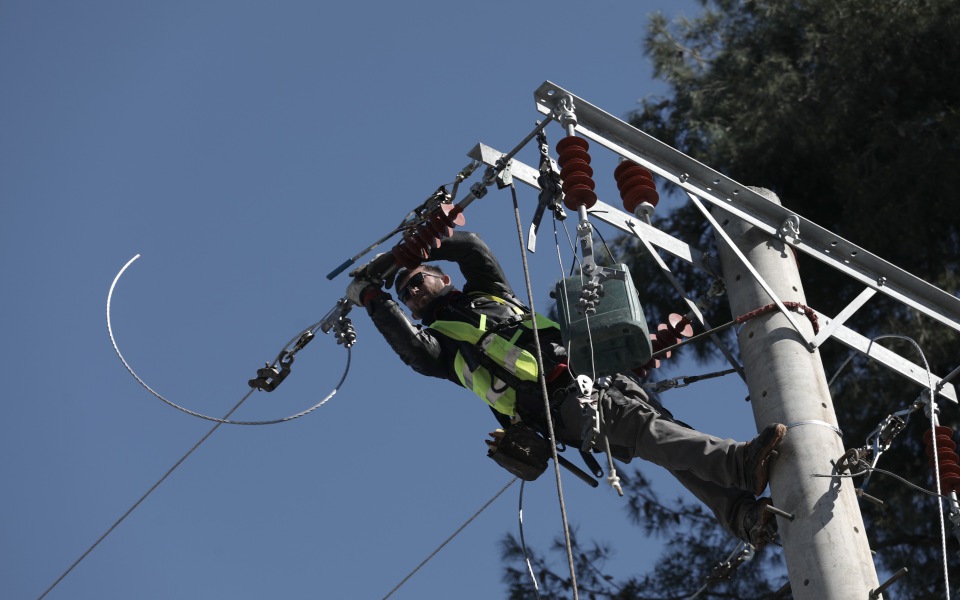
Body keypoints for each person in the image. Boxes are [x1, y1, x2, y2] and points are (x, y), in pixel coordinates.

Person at [345, 230, 785, 548]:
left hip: (599, 375)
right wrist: (372, 296)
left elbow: (473, 248)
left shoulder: (493, 295)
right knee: (643, 431)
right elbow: (408, 345)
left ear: (443, 279)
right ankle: (738, 463)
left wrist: (420, 244)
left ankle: (742, 516)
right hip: (562, 405)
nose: (413, 291)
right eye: (406, 293)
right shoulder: (439, 346)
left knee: (660, 440)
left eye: (418, 279)